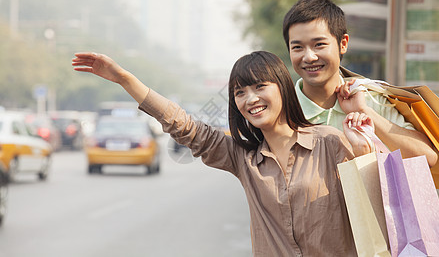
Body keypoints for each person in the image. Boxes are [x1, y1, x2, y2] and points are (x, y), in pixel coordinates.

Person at [73, 51, 373, 256]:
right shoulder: (244, 159)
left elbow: (375, 212)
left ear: (282, 88)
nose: (250, 99)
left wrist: (363, 150)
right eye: (240, 92)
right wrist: (126, 79)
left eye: (259, 86)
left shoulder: (330, 143)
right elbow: (186, 127)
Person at [282, 0, 438, 167]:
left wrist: (366, 112)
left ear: (343, 44)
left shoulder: (370, 100)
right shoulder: (283, 111)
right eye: (297, 47)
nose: (309, 57)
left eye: (319, 44)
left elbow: (427, 157)